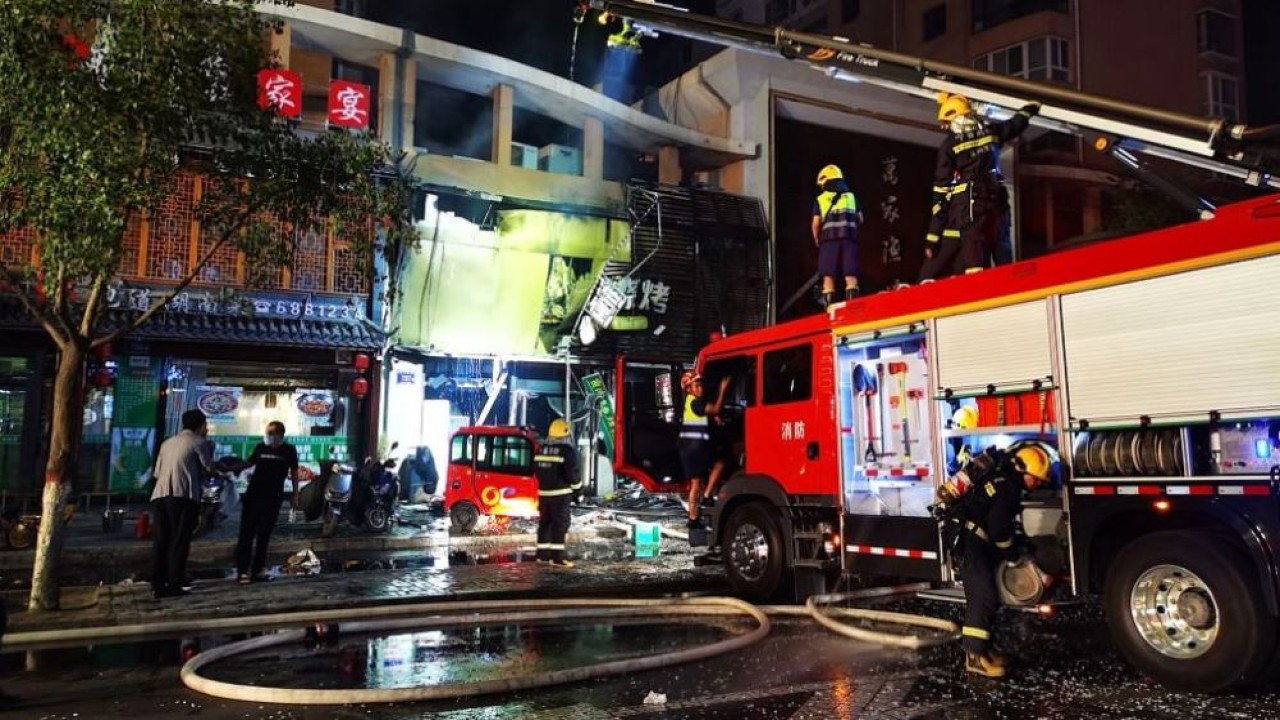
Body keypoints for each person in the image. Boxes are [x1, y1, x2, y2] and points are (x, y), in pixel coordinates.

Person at [935, 443, 1052, 678]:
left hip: (968, 537)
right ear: (1023, 471)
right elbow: (999, 531)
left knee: (988, 597)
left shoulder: (1001, 479)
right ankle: (975, 658)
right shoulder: (1009, 486)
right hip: (969, 540)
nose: (1038, 484)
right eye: (1036, 479)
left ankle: (984, 651)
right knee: (983, 597)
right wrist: (1013, 556)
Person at [919, 94, 1039, 281]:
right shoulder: (991, 131)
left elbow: (942, 189)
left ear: (955, 117)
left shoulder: (950, 145)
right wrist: (1030, 109)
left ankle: (977, 287)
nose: (944, 127)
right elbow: (1015, 125)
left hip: (969, 204)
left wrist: (933, 237)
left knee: (973, 251)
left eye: (946, 122)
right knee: (1001, 244)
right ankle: (1011, 284)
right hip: (996, 197)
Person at [150, 409, 217, 599]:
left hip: (160, 495)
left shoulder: (167, 443)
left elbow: (157, 473)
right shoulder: (199, 442)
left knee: (162, 541)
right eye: (206, 425)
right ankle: (174, 584)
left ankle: (157, 584)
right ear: (201, 425)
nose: (207, 429)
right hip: (183, 496)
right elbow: (209, 468)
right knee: (180, 540)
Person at [230, 421, 299, 584]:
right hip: (253, 496)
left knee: (264, 535)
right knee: (246, 534)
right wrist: (231, 468)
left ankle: (258, 571)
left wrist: (295, 495)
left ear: (279, 435)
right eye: (267, 433)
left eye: (271, 433)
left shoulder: (288, 450)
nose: (268, 436)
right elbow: (250, 462)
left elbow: (295, 472)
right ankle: (242, 572)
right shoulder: (261, 447)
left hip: (273, 498)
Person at [678, 371, 732, 528]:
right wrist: (722, 390)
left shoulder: (691, 402)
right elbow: (715, 409)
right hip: (693, 449)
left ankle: (698, 511)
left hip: (692, 448)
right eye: (697, 386)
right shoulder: (695, 403)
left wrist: (714, 418)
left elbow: (708, 414)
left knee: (699, 481)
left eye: (701, 385)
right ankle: (695, 514)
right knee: (716, 467)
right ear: (689, 389)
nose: (700, 388)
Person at [811, 164, 864, 307]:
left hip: (829, 240)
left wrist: (816, 237)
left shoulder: (821, 199)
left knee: (828, 275)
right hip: (849, 238)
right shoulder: (851, 197)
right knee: (850, 274)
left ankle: (829, 309)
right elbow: (861, 219)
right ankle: (853, 307)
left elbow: (816, 223)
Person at [535, 418, 581, 568]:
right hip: (560, 495)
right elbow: (572, 474)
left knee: (545, 524)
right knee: (560, 525)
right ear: (566, 434)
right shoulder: (567, 451)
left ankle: (542, 556)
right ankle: (558, 558)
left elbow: (536, 470)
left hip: (543, 494)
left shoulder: (540, 449)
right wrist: (578, 490)